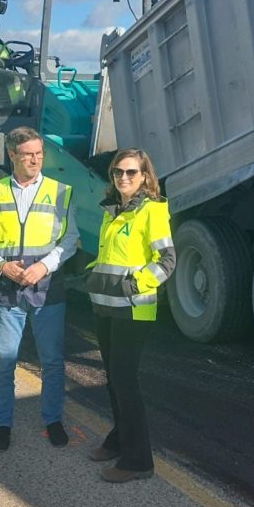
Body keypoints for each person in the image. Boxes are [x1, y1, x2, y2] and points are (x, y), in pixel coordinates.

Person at [0, 127, 78, 452]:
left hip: (47, 290)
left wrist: (43, 266)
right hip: (6, 290)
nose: (35, 159)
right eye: (28, 154)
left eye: (39, 154)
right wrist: (1, 265)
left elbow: (71, 239)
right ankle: (3, 424)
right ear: (12, 155)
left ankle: (53, 420)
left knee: (52, 361)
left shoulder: (61, 192)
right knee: (4, 362)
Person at [84, 148, 175, 483]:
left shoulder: (152, 211)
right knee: (113, 378)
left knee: (125, 381)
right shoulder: (113, 210)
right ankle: (119, 440)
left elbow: (167, 260)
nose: (124, 178)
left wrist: (134, 285)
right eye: (118, 172)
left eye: (131, 173)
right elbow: (110, 256)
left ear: (145, 176)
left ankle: (138, 461)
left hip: (133, 309)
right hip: (105, 305)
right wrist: (92, 274)